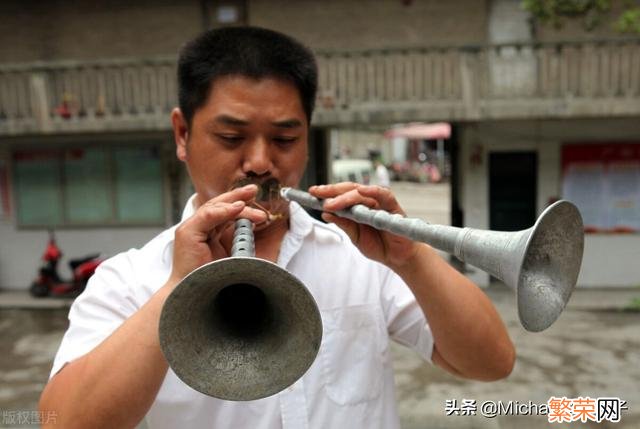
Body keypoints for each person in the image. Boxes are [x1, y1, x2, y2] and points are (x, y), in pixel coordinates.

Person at [40, 27, 514, 429]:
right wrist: (179, 287)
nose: (262, 163)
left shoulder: (359, 254)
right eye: (231, 137)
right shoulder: (131, 278)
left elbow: (491, 363)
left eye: (285, 139)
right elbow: (60, 421)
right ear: (182, 135)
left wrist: (412, 258)